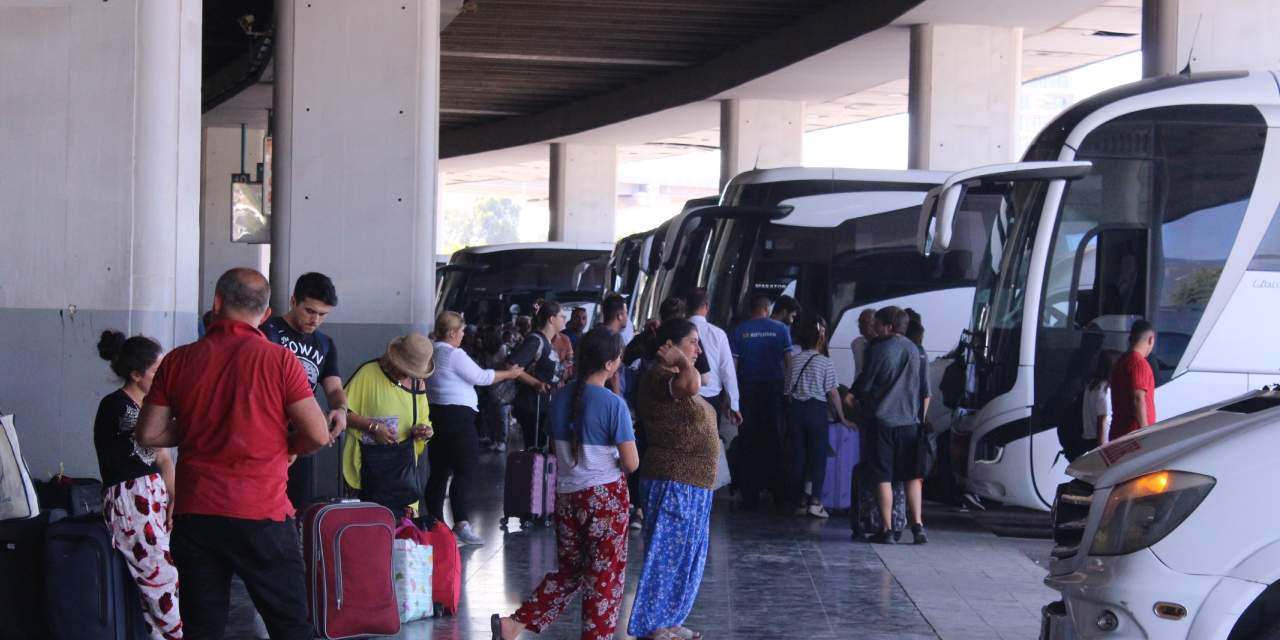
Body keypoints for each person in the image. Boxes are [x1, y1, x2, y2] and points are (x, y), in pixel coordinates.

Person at [136, 268, 331, 639]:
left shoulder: (177, 361)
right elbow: (318, 435)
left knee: (202, 628)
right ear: (267, 313)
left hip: (197, 515)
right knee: (291, 626)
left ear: (217, 303)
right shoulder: (280, 361)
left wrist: (200, 425)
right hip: (262, 513)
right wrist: (289, 446)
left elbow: (149, 432)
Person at [491, 328, 639, 640]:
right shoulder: (613, 405)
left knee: (571, 571)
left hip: (567, 496)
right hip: (604, 500)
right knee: (604, 577)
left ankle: (514, 624)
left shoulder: (560, 397)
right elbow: (632, 463)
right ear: (611, 364)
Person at [627, 319, 719, 640]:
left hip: (694, 484)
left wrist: (683, 360)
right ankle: (652, 625)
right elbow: (691, 386)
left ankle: (670, 619)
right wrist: (680, 359)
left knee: (687, 560)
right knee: (666, 558)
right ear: (670, 345)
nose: (698, 349)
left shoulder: (677, 373)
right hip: (673, 480)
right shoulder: (658, 376)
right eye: (692, 342)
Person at [94, 331, 182, 640]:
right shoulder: (116, 406)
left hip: (153, 495)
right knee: (161, 576)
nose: (162, 378)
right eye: (156, 371)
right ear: (135, 374)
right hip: (131, 500)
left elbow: (164, 460)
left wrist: (174, 497)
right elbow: (158, 441)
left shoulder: (151, 408)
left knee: (160, 579)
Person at [426, 311, 524, 545]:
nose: (463, 336)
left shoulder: (431, 351)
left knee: (439, 471)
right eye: (460, 331)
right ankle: (461, 523)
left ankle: (434, 522)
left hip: (436, 414)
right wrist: (510, 374)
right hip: (458, 417)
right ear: (451, 333)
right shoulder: (453, 354)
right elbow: (481, 377)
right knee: (465, 468)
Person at [260, 272, 347, 510]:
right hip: (267, 433)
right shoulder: (268, 331)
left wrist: (340, 410)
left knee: (297, 506)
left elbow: (334, 387)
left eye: (322, 314)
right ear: (293, 301)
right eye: (310, 311)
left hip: (303, 434)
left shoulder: (325, 343)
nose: (315, 320)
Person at [852, 306, 928, 545]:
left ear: (888, 326)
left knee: (883, 477)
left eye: (878, 324)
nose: (874, 328)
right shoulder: (915, 351)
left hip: (883, 423)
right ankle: (918, 527)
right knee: (912, 477)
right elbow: (924, 390)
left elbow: (866, 387)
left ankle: (886, 529)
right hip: (910, 423)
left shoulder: (879, 350)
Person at [339, 335, 436, 511]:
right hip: (366, 471)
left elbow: (423, 420)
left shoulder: (418, 384)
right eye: (406, 369)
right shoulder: (368, 373)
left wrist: (424, 431)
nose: (409, 375)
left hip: (401, 475)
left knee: (402, 531)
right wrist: (373, 427)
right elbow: (341, 413)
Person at [786, 314, 856, 519]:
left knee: (798, 456)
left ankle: (798, 499)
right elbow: (833, 393)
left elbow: (788, 390)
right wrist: (842, 418)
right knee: (818, 457)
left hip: (797, 410)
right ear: (820, 339)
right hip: (817, 411)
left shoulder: (794, 360)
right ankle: (815, 502)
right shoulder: (825, 362)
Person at [729, 294, 792, 510]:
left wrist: (732, 396)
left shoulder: (740, 331)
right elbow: (788, 363)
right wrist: (787, 391)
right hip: (774, 391)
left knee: (749, 441)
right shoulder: (781, 330)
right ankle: (780, 494)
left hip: (747, 392)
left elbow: (734, 366)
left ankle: (750, 494)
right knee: (775, 441)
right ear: (767, 308)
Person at [509, 302, 566, 450]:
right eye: (561, 316)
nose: (564, 319)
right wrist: (535, 383)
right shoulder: (536, 340)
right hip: (533, 405)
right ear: (551, 319)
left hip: (543, 404)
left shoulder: (547, 342)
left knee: (541, 447)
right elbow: (511, 366)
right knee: (535, 448)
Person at [686, 288, 741, 425]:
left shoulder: (677, 331)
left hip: (682, 396)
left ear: (686, 306)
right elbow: (727, 370)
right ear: (706, 307)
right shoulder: (718, 334)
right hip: (710, 400)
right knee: (708, 444)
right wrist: (734, 404)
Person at [1109, 320, 1157, 442]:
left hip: (1118, 432)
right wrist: (1145, 433)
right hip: (1134, 436)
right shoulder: (1139, 363)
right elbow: (1138, 398)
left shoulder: (1121, 361)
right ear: (1150, 339)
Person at [478, 324, 517, 452]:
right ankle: (495, 439)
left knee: (501, 415)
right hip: (493, 385)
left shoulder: (503, 349)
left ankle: (501, 440)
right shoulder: (486, 352)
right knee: (494, 415)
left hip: (502, 386)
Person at [1085, 350, 1122, 449]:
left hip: (1089, 438)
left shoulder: (1091, 385)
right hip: (1099, 442)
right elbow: (1103, 420)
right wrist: (1102, 448)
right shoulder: (1105, 389)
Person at [850, 308, 877, 382]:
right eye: (859, 322)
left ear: (875, 323)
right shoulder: (855, 343)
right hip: (858, 388)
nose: (860, 325)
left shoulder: (884, 344)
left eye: (864, 322)